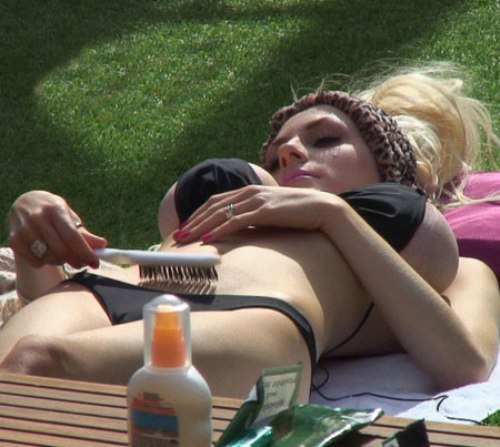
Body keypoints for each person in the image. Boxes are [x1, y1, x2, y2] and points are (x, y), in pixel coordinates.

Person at [2, 64, 499, 402]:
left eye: (326, 139)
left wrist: (333, 215)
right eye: (277, 155)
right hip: (112, 287)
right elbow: (38, 297)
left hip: (254, 318)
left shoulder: (430, 253)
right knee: (22, 370)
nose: (290, 153)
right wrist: (34, 238)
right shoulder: (242, 199)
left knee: (36, 365)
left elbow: (466, 364)